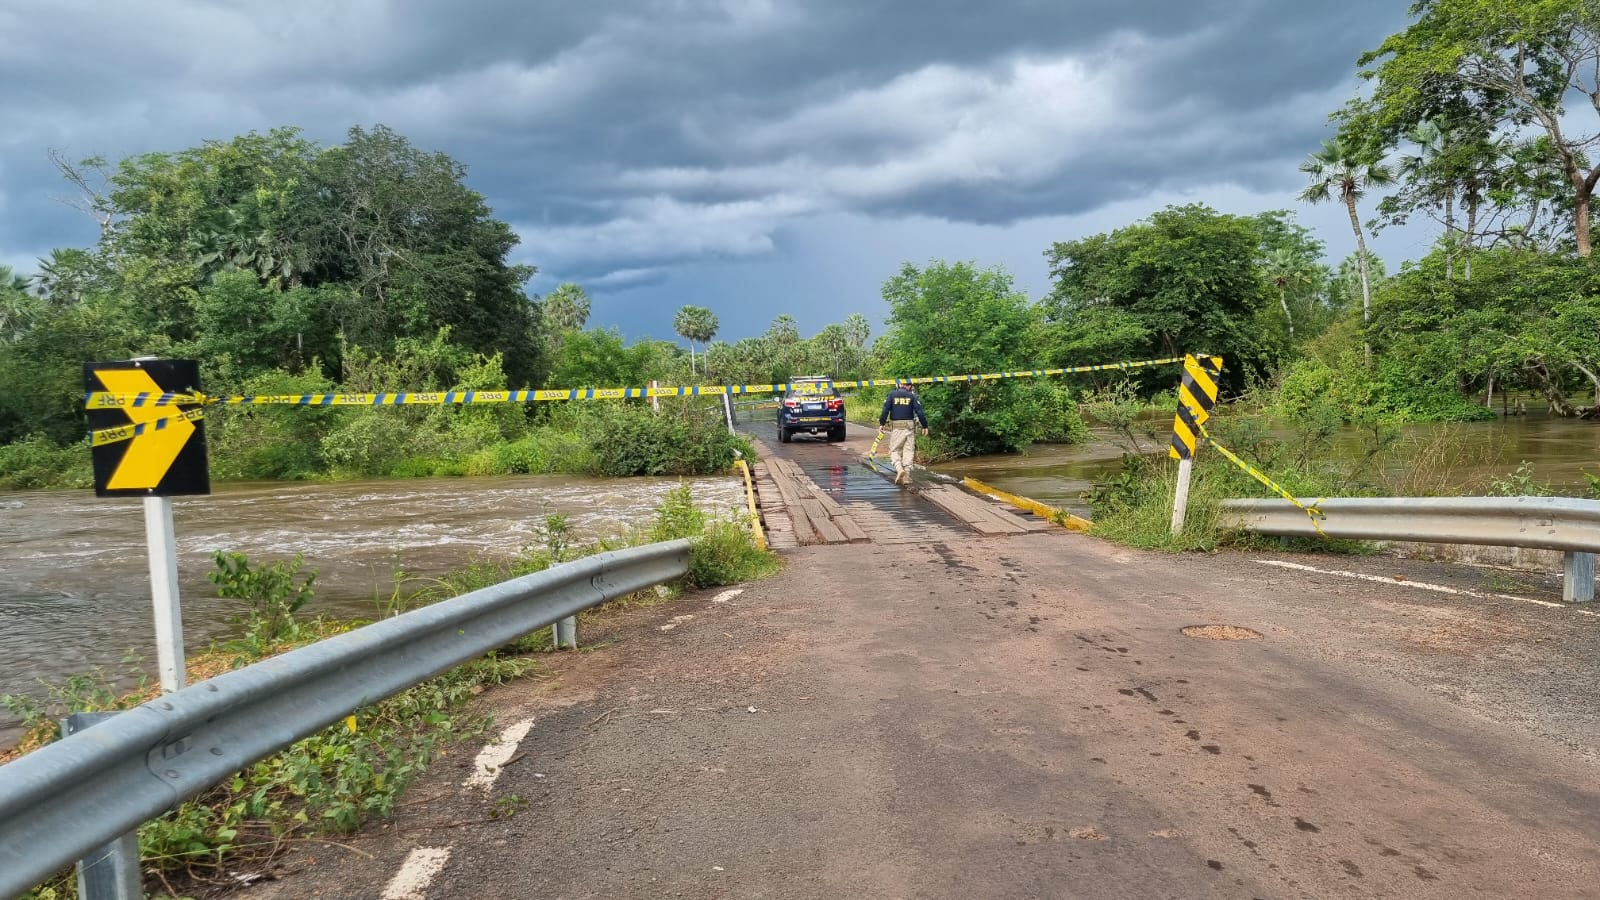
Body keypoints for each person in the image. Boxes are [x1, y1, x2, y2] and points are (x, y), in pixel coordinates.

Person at [877, 378, 929, 485]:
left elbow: (885, 410)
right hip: (909, 427)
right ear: (909, 386)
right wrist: (925, 426)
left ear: (899, 384)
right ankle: (907, 476)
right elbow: (919, 412)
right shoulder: (912, 396)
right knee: (908, 451)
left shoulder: (891, 395)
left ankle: (899, 468)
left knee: (894, 450)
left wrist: (882, 423)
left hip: (897, 427)